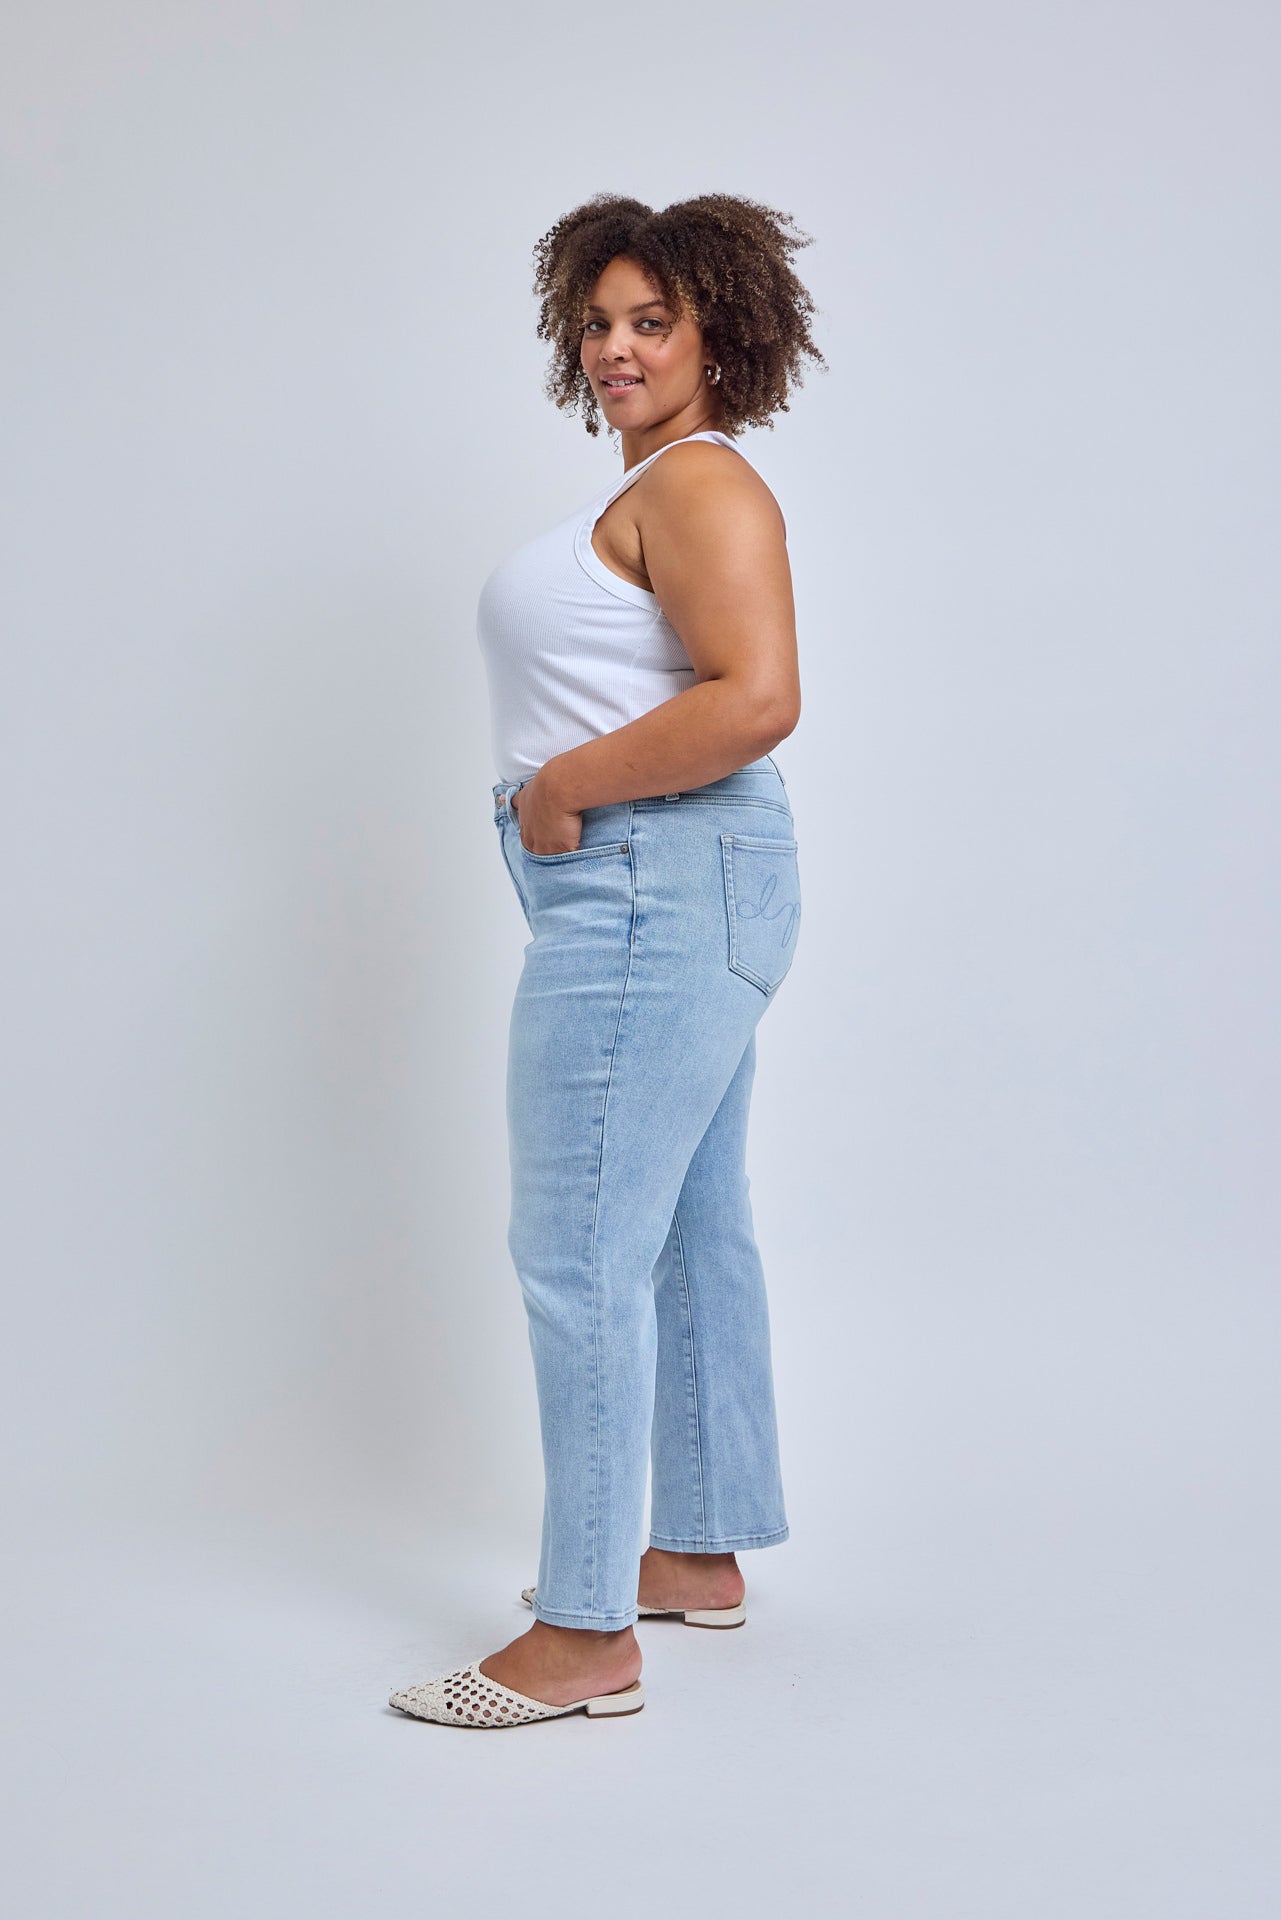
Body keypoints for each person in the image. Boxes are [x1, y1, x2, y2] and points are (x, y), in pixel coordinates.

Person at [390, 192, 825, 1728]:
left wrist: (561, 786)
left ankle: (582, 1635)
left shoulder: (699, 484)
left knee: (577, 1250)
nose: (616, 348)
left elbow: (755, 696)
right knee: (686, 1229)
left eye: (653, 321)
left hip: (649, 885)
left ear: (723, 332)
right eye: (597, 322)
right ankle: (688, 1551)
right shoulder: (660, 483)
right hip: (677, 888)